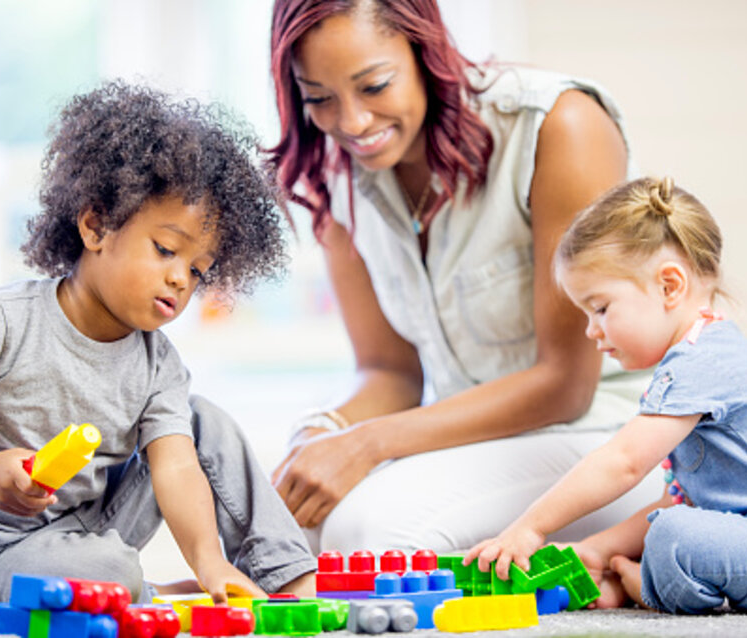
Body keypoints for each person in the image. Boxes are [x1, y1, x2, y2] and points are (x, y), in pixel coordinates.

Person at [0, 81, 316, 605]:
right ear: (96, 226)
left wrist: (208, 561)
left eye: (197, 271)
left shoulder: (158, 363)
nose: (181, 279)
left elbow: (177, 464)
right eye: (165, 249)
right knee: (111, 569)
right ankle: (135, 589)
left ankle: (287, 579)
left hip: (88, 529)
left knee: (204, 422)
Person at [266, 0, 660, 554]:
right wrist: (324, 431)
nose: (351, 123)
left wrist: (368, 444)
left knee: (372, 534)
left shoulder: (557, 125)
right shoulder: (340, 178)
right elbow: (389, 373)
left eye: (374, 86)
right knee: (287, 526)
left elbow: (565, 385)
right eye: (320, 99)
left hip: (616, 442)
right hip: (473, 449)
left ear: (426, 52)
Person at [465, 176, 747, 613]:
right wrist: (594, 548)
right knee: (675, 520)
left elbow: (623, 463)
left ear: (669, 286)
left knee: (674, 536)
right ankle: (636, 576)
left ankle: (643, 587)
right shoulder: (700, 359)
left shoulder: (703, 361)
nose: (592, 330)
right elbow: (680, 497)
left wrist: (529, 527)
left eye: (601, 308)